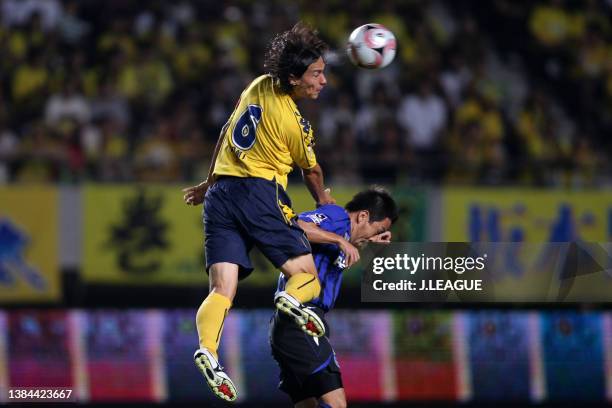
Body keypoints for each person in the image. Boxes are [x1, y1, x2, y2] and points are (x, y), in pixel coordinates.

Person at [182, 22, 335, 402]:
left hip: (220, 194)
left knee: (221, 289)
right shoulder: (295, 123)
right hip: (259, 192)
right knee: (306, 276)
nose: (323, 81)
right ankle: (292, 300)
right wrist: (323, 202)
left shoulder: (258, 84)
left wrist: (207, 182)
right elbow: (311, 170)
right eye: (316, 74)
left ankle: (207, 349)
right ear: (294, 78)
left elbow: (224, 132)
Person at [270, 187, 399, 408]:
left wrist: (366, 239)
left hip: (287, 325)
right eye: (378, 228)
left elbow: (346, 240)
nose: (375, 235)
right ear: (363, 216)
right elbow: (294, 225)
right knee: (337, 404)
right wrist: (341, 241)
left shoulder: (345, 233)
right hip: (302, 318)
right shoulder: (338, 218)